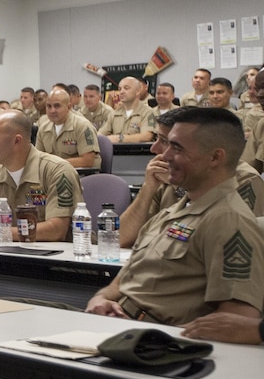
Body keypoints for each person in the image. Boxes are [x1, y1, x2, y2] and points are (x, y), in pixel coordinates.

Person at [86, 108, 264, 326]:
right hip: (117, 320)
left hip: (147, 336)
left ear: (215, 157)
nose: (164, 154)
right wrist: (101, 297)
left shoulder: (229, 218)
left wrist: (168, 339)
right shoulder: (177, 208)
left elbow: (237, 320)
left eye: (176, 147)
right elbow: (125, 261)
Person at [119, 110, 264, 247]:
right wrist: (147, 188)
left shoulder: (244, 179)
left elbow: (226, 240)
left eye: (167, 142)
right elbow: (122, 238)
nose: (154, 148)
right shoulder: (165, 177)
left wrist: (182, 187)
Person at [0, 110, 82, 242]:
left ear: (16, 141)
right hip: (13, 254)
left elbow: (57, 230)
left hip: (59, 257)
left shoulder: (57, 170)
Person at [35, 88, 101, 169]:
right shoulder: (43, 129)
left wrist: (55, 164)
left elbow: (87, 161)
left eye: (57, 106)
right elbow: (38, 159)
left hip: (82, 175)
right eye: (49, 106)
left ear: (69, 107)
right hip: (54, 175)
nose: (52, 110)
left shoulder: (83, 126)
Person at [99, 77, 155, 143]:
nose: (121, 92)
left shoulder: (148, 112)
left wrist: (119, 138)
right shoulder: (114, 114)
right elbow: (100, 135)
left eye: (126, 88)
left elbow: (147, 136)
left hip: (138, 151)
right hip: (116, 152)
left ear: (137, 91)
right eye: (120, 89)